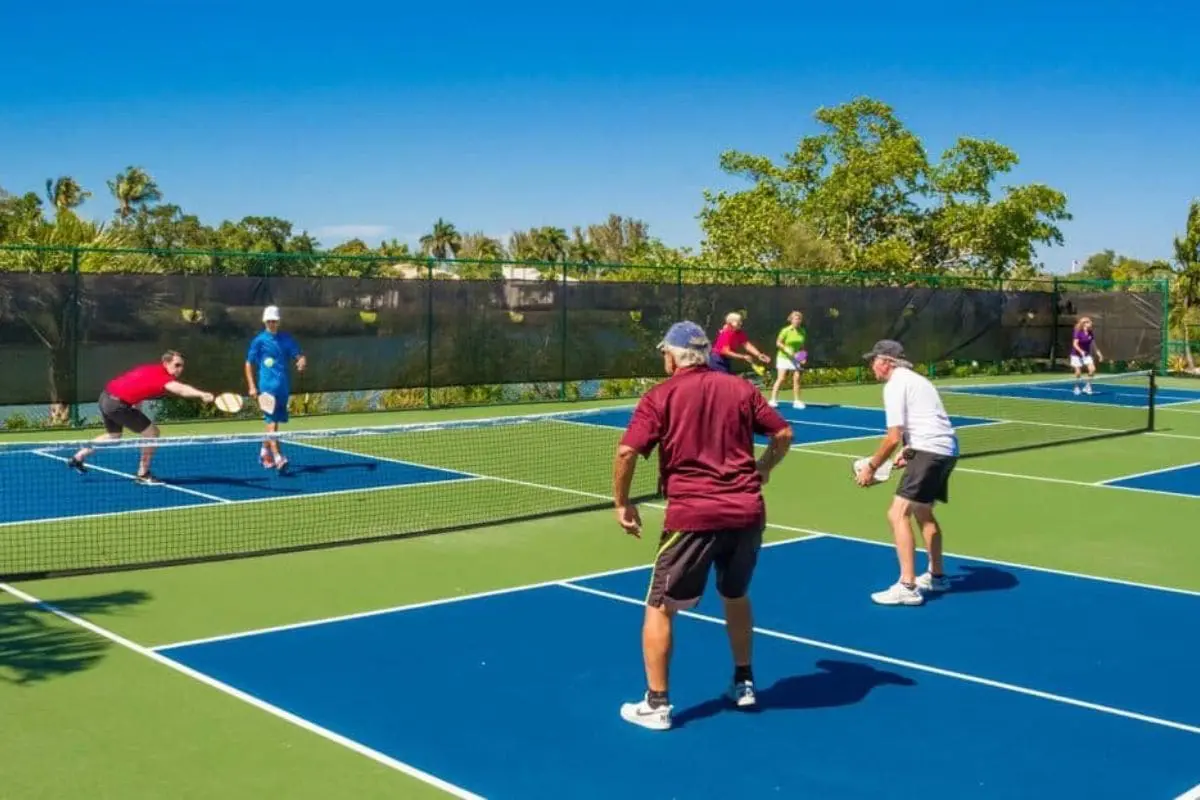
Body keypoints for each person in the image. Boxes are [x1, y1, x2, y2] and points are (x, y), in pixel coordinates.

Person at [613, 320, 794, 730]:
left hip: (693, 517)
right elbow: (783, 433)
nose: (663, 357)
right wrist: (762, 468)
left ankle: (657, 704)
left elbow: (627, 453)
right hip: (747, 514)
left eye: (664, 352)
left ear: (674, 355)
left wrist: (622, 504)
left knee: (660, 606)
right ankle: (744, 682)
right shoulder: (742, 389)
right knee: (736, 594)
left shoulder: (660, 396)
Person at [855, 340, 959, 607]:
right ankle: (936, 575)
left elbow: (892, 438)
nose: (871, 366)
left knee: (897, 513)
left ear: (886, 362)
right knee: (923, 512)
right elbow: (925, 420)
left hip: (929, 451)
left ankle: (907, 586)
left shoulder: (895, 385)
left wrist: (871, 467)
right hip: (945, 450)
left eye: (874, 360)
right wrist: (909, 451)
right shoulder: (916, 380)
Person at [66, 351, 214, 484]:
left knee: (114, 435)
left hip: (105, 397)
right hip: (117, 405)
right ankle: (143, 474)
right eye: (177, 365)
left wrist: (137, 410)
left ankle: (77, 458)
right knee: (152, 433)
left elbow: (137, 388)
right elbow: (181, 389)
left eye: (182, 366)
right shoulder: (163, 378)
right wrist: (201, 394)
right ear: (166, 363)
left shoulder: (147, 369)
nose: (180, 369)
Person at [245, 305, 306, 470]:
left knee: (274, 422)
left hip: (283, 388)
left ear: (278, 322)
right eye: (269, 321)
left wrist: (301, 361)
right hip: (266, 388)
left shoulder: (286, 339)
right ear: (265, 322)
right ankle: (278, 457)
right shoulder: (259, 341)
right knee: (272, 421)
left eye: (274, 321)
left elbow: (298, 355)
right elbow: (249, 363)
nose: (272, 323)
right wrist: (252, 386)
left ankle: (264, 451)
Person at [768, 310, 808, 409]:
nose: (797, 321)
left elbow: (802, 346)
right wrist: (787, 349)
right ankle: (773, 400)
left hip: (796, 357)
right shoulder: (785, 330)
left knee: (797, 378)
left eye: (799, 319)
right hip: (784, 357)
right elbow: (778, 343)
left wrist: (802, 357)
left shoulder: (802, 331)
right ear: (791, 320)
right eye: (795, 319)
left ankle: (797, 401)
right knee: (781, 378)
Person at [1070, 316, 1103, 395]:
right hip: (1076, 355)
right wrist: (1081, 351)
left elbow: (1094, 345)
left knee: (1092, 369)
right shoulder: (1078, 331)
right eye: (1089, 322)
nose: (1091, 323)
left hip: (1086, 354)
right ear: (1084, 324)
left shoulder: (1090, 332)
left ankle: (1087, 386)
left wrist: (1099, 354)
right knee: (1078, 373)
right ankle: (1076, 387)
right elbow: (1075, 344)